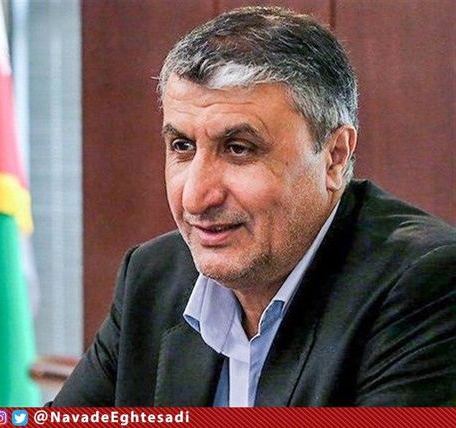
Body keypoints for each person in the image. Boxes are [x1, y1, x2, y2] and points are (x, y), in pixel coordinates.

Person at [51, 6, 456, 406]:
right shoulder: (152, 277)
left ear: (334, 156)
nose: (195, 197)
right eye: (182, 146)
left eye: (238, 149)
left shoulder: (425, 284)